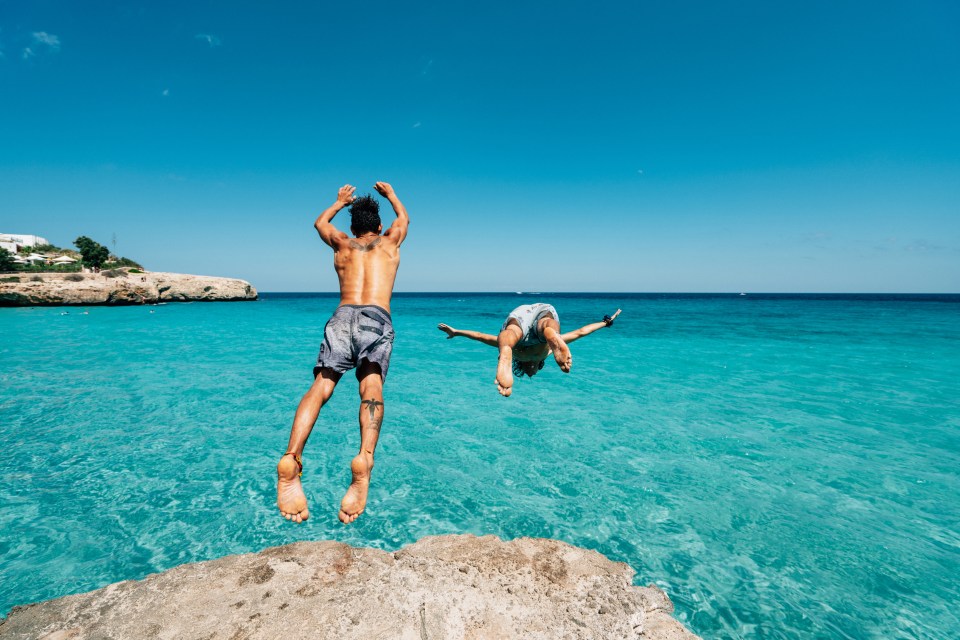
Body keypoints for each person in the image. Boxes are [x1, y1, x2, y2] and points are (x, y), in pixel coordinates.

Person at [277, 182, 409, 524]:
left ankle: (292, 456)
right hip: (376, 318)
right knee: (371, 388)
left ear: (352, 227)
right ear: (379, 227)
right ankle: (365, 457)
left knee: (321, 387)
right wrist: (391, 196)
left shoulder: (341, 244)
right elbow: (405, 219)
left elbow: (320, 224)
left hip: (341, 317)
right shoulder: (390, 241)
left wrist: (338, 202)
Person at [438, 305, 622, 396]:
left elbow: (581, 332)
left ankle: (508, 350)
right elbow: (480, 336)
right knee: (535, 330)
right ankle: (543, 336)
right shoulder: (544, 351)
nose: (532, 374)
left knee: (512, 334)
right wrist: (605, 323)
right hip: (535, 317)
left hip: (525, 317)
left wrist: (457, 332)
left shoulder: (547, 351)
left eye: (529, 374)